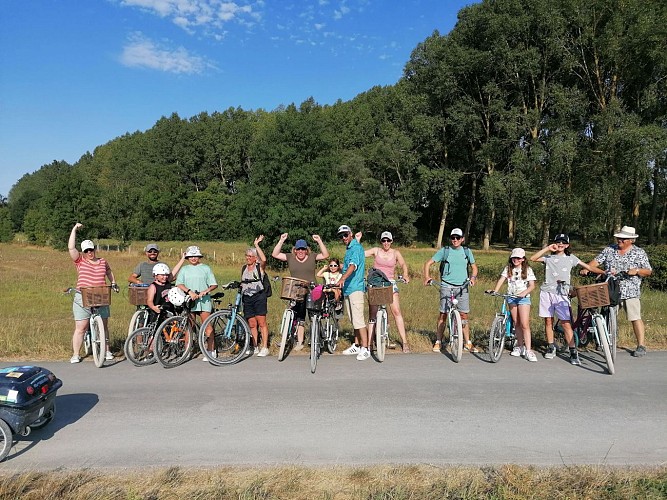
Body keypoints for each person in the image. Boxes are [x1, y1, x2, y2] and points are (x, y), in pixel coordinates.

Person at [530, 233, 604, 365]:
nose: (560, 244)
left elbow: (588, 267)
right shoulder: (548, 258)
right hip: (547, 292)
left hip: (562, 294)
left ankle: (573, 351)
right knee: (548, 321)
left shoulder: (571, 258)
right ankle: (551, 346)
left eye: (563, 243)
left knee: (566, 323)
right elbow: (533, 258)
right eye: (558, 242)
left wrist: (604, 272)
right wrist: (548, 248)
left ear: (567, 245)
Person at [582, 225, 653, 357]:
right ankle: (604, 341)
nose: (620, 240)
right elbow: (595, 262)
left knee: (635, 317)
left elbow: (648, 271)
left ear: (631, 240)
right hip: (609, 288)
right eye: (619, 238)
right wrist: (587, 268)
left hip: (630, 290)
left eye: (623, 239)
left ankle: (641, 345)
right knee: (606, 316)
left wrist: (636, 271)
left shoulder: (639, 252)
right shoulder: (609, 249)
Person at [68, 222, 119, 363]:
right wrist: (74, 230)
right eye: (86, 251)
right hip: (82, 295)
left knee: (104, 325)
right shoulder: (80, 261)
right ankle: (76, 354)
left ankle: (107, 350)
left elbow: (109, 271)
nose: (89, 253)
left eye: (91, 250)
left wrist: (113, 282)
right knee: (81, 327)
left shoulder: (103, 261)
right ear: (83, 252)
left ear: (94, 249)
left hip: (101, 294)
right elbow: (71, 247)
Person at [423, 228, 479, 353]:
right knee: (443, 314)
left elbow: (474, 268)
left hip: (462, 287)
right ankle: (438, 340)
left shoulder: (467, 251)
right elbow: (428, 263)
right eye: (453, 238)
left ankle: (467, 342)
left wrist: (473, 278)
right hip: (446, 286)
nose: (455, 240)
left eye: (458, 238)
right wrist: (427, 277)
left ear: (462, 239)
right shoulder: (445, 251)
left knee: (464, 315)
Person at [272, 233, 329, 351]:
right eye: (298, 249)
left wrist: (319, 241)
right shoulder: (290, 257)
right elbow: (275, 254)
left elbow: (325, 255)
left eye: (303, 249)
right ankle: (299, 341)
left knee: (313, 315)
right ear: (295, 250)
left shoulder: (312, 256)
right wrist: (281, 240)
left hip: (311, 289)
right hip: (296, 289)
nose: (301, 251)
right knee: (298, 316)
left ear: (306, 250)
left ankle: (317, 338)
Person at [357, 231, 411, 353]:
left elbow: (403, 264)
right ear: (381, 242)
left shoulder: (396, 253)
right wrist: (358, 241)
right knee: (372, 314)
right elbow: (361, 254)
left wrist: (406, 274)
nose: (386, 243)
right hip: (376, 283)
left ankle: (404, 342)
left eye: (388, 240)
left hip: (390, 282)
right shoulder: (376, 251)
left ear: (391, 241)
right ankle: (370, 344)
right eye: (383, 240)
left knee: (396, 311)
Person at [487, 248, 537, 362]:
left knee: (525, 324)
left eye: (519, 258)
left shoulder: (528, 270)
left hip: (523, 299)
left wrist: (524, 293)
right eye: (514, 257)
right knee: (516, 323)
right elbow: (501, 279)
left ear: (523, 259)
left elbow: (532, 286)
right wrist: (495, 290)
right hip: (511, 297)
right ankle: (520, 346)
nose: (516, 260)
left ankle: (528, 350)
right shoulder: (508, 269)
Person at [175, 245, 218, 360]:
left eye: (196, 256)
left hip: (204, 301)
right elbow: (179, 283)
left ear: (199, 257)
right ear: (188, 257)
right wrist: (189, 292)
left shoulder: (206, 268)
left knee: (206, 325)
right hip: (190, 300)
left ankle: (211, 350)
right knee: (189, 326)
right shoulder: (184, 269)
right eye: (191, 256)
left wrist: (206, 291)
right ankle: (187, 350)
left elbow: (214, 284)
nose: (193, 258)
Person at [337, 225, 370, 361]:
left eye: (345, 235)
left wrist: (343, 278)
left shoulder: (356, 248)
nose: (343, 238)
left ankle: (365, 348)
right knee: (353, 319)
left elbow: (353, 265)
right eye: (341, 236)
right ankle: (356, 344)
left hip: (356, 287)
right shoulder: (349, 248)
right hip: (349, 288)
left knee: (359, 319)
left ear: (350, 234)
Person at [241, 236, 270, 357]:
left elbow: (264, 259)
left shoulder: (259, 267)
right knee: (252, 323)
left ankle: (265, 347)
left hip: (259, 296)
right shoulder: (244, 268)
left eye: (250, 256)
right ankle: (255, 345)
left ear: (255, 258)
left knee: (261, 322)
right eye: (247, 256)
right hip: (247, 298)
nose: (248, 258)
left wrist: (257, 245)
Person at [146, 257, 186, 326]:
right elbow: (149, 301)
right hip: (158, 311)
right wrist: (153, 307)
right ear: (156, 276)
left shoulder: (167, 282)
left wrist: (183, 259)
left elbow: (175, 271)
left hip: (170, 310)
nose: (165, 277)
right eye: (162, 275)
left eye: (166, 275)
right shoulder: (153, 287)